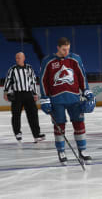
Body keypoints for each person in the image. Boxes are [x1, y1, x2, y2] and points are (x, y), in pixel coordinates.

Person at [39, 37, 95, 165]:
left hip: (74, 98)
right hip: (56, 99)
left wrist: (86, 91)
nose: (66, 52)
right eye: (64, 49)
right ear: (58, 48)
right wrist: (44, 98)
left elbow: (82, 76)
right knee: (59, 125)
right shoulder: (48, 61)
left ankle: (82, 150)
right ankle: (61, 151)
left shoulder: (75, 59)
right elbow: (43, 81)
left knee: (79, 123)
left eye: (68, 49)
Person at [3, 52, 45, 142]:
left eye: (19, 58)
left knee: (33, 114)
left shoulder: (29, 68)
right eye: (16, 58)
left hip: (28, 94)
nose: (17, 59)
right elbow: (8, 80)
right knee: (16, 114)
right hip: (17, 94)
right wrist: (5, 92)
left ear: (24, 58)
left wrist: (35, 93)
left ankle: (36, 134)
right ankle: (17, 132)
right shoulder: (13, 69)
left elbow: (33, 81)